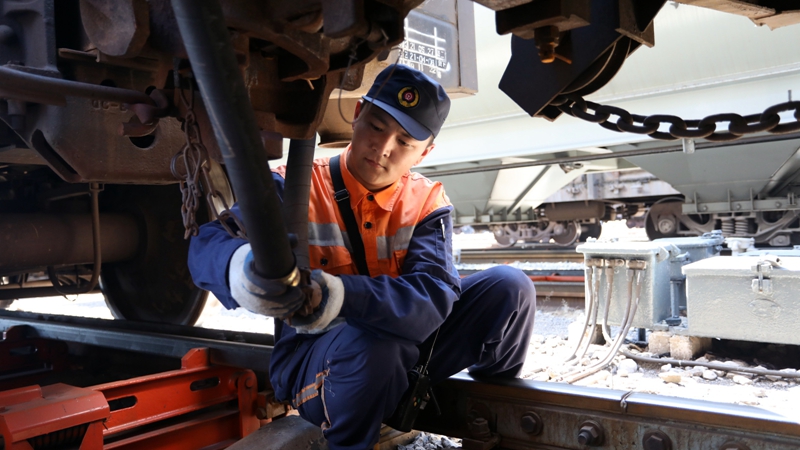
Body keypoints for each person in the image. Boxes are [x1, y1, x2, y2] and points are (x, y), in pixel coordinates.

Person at [188, 64, 536, 450]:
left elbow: (432, 299)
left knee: (511, 287)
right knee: (378, 345)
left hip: (403, 353)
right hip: (315, 361)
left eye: (404, 141)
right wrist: (241, 270)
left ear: (425, 152)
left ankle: (492, 419)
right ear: (357, 114)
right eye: (376, 126)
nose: (383, 147)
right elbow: (206, 246)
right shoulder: (293, 186)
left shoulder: (425, 202)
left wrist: (339, 295)